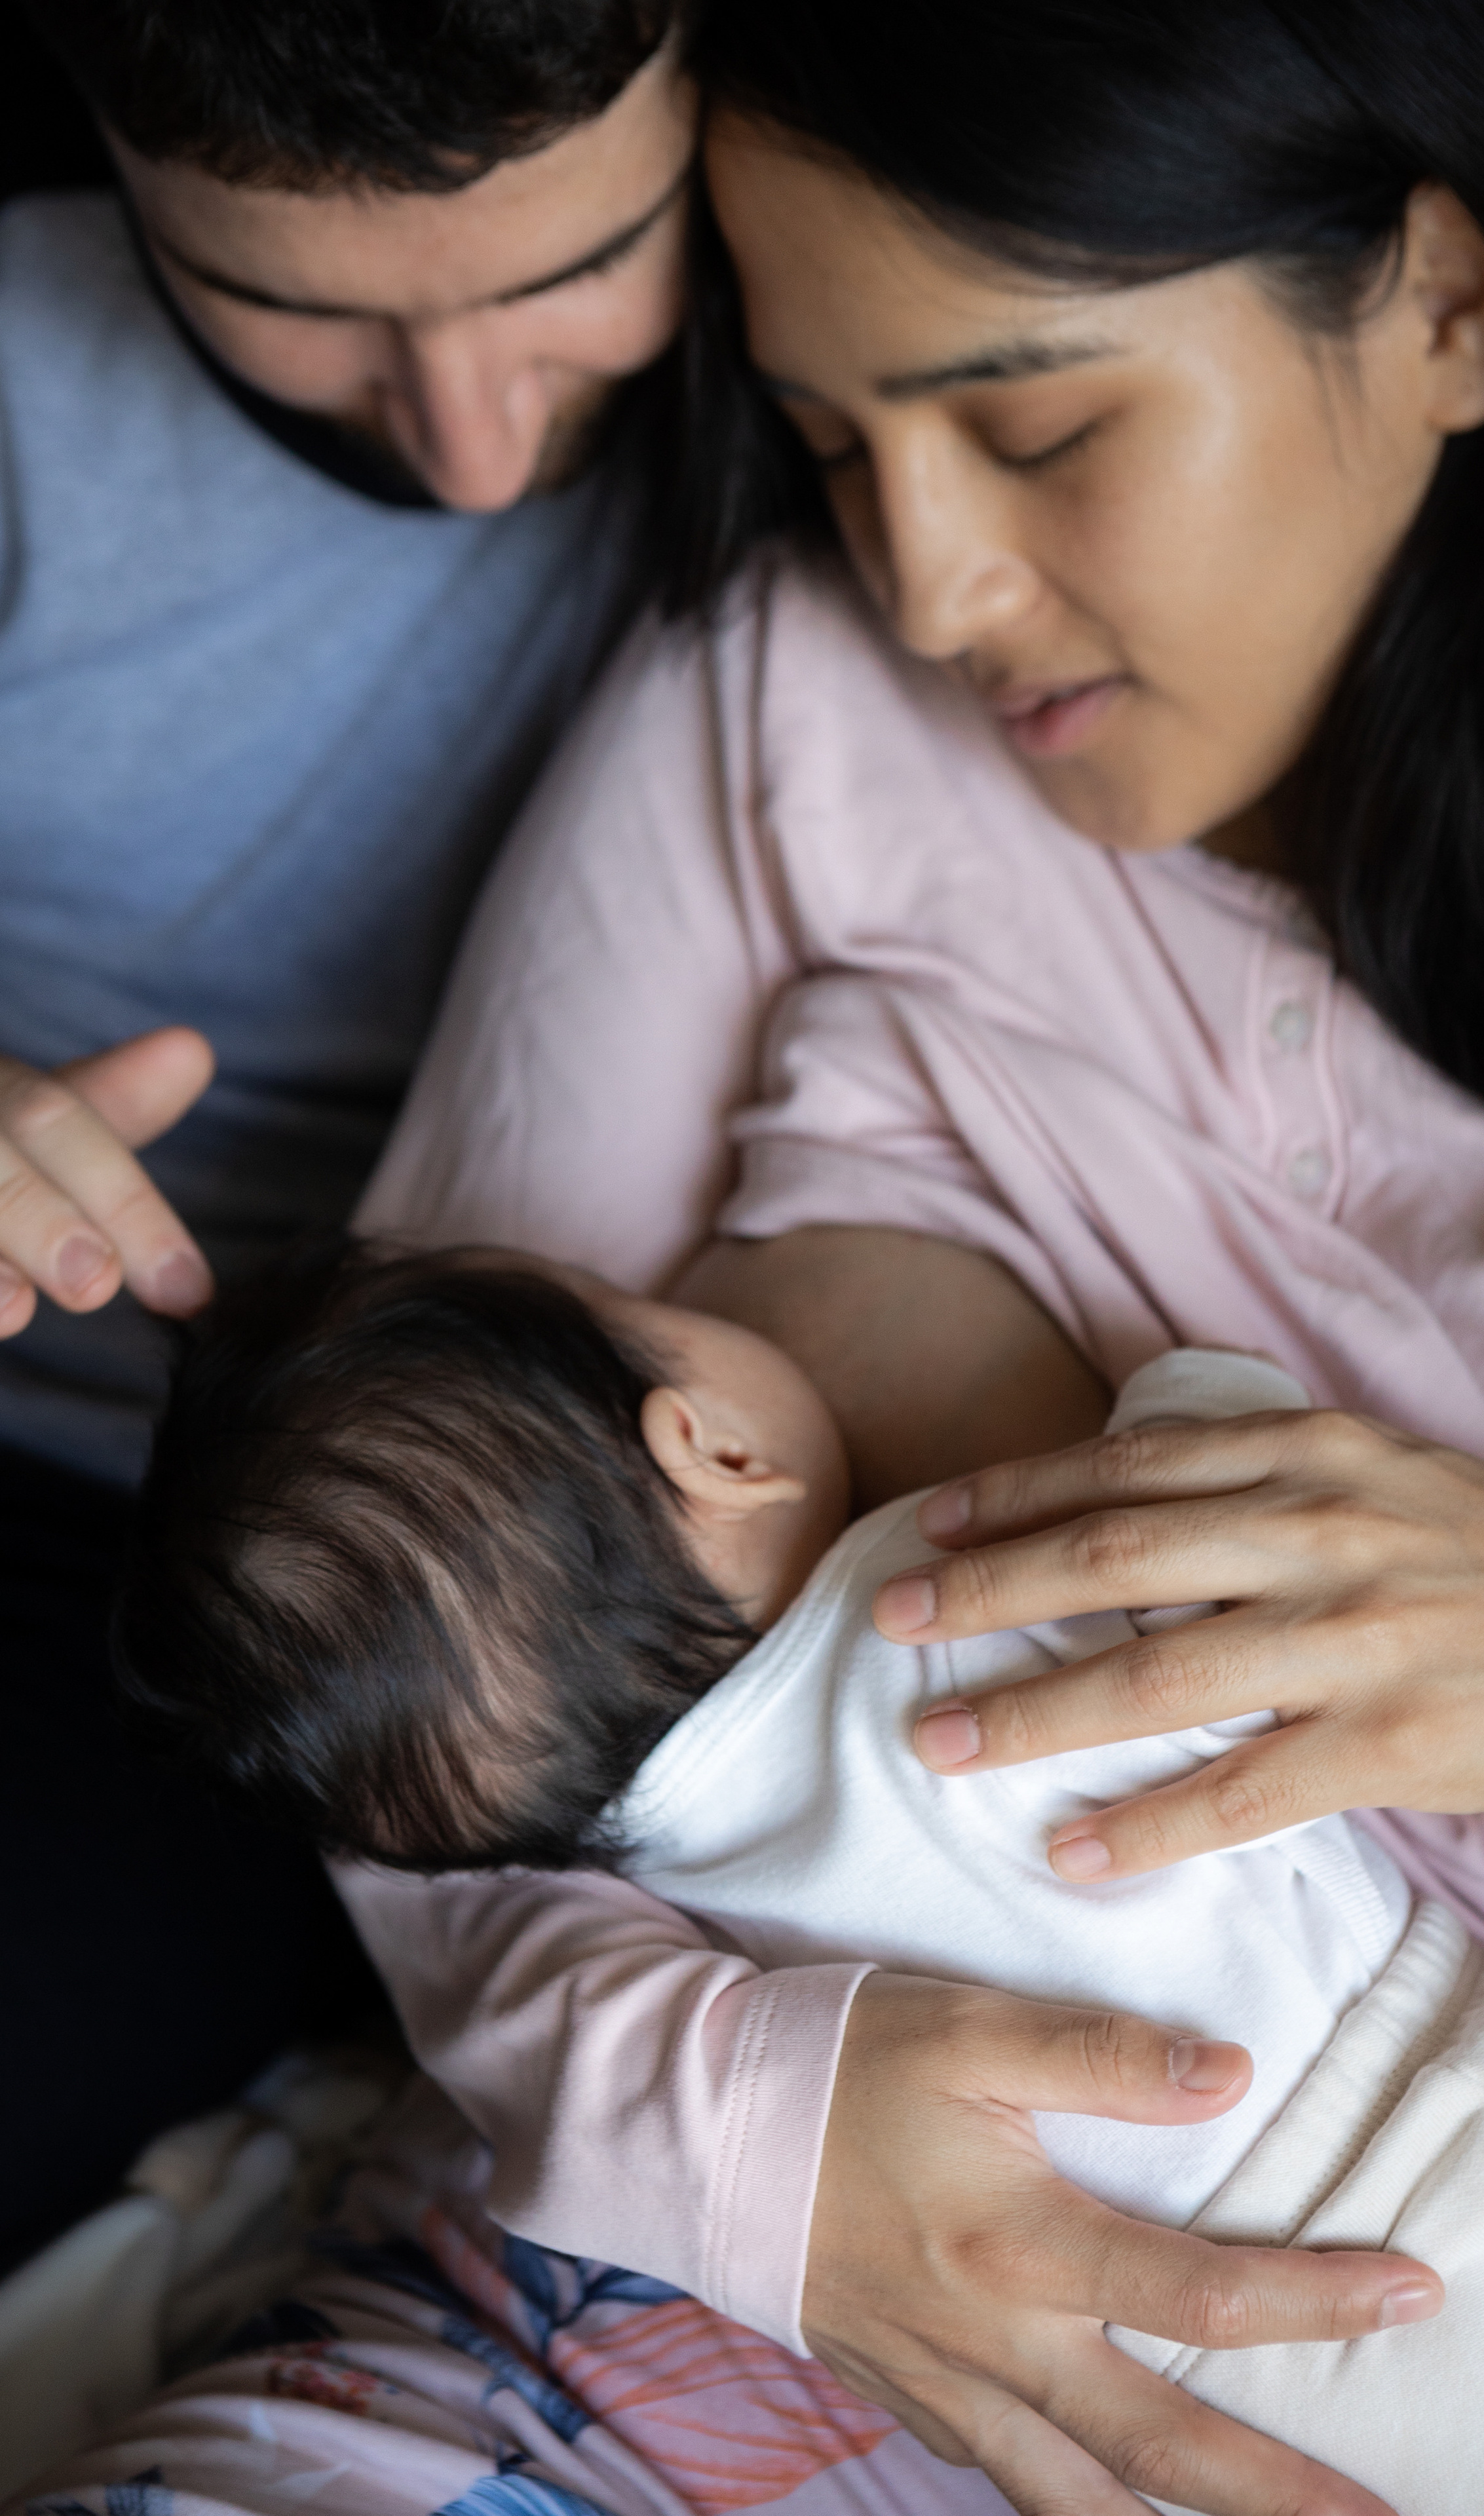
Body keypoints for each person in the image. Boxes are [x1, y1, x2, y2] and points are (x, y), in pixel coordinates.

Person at [305, 0, 1484, 2507]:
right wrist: (758, 2152)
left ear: (1452, 305)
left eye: (1040, 426)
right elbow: (408, 1625)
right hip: (703, 2314)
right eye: (838, 443)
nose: (928, 579)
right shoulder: (781, 733)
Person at [102, 1235, 1484, 2511]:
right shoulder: (943, 1584)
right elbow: (1255, 1516)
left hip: (1192, 2375)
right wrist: (1186, 1401)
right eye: (653, 1303)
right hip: (1458, 2149)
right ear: (709, 1442)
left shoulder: (668, 1882)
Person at [0, 0, 694, 2266]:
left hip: (311, 1610)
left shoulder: (879, 332)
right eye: (287, 305)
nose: (479, 448)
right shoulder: (29, 359)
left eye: (572, 275)